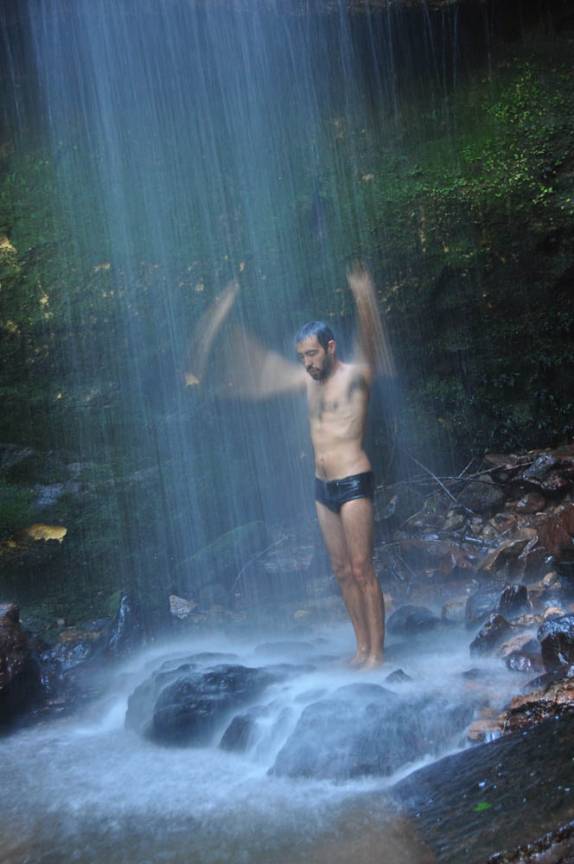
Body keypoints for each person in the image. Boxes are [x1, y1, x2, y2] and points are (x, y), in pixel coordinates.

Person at [187, 265, 394, 668]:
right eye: (301, 357)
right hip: (322, 487)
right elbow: (260, 373)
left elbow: (371, 343)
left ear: (331, 348)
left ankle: (378, 654)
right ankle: (360, 648)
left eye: (312, 354)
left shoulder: (356, 377)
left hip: (353, 480)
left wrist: (364, 297)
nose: (307, 363)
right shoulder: (305, 381)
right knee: (339, 570)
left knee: (361, 568)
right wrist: (221, 320)